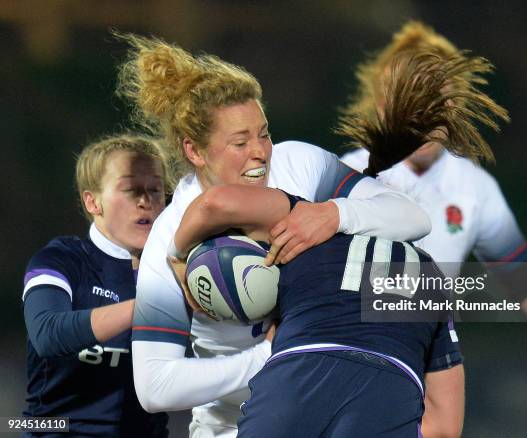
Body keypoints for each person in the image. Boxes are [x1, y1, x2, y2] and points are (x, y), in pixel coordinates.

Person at [116, 33, 434, 437]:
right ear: (195, 151)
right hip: (233, 425)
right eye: (239, 141)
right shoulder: (167, 237)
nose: (261, 152)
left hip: (329, 402)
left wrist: (335, 214)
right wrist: (272, 355)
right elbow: (154, 387)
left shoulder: (299, 166)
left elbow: (413, 217)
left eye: (263, 134)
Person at [340, 21, 527, 435]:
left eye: (435, 101)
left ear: (454, 107)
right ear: (386, 106)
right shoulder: (347, 176)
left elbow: (521, 277)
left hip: (428, 374)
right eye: (412, 101)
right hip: (350, 366)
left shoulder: (473, 186)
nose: (425, 115)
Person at [172, 184, 462, 438]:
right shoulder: (428, 274)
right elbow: (446, 426)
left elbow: (215, 202)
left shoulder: (305, 224)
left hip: (297, 374)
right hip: (389, 390)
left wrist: (179, 256)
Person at [22, 134, 171, 436]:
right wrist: (148, 307)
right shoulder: (61, 260)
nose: (145, 201)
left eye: (155, 189)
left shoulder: (181, 271)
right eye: (130, 189)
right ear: (93, 201)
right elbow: (47, 334)